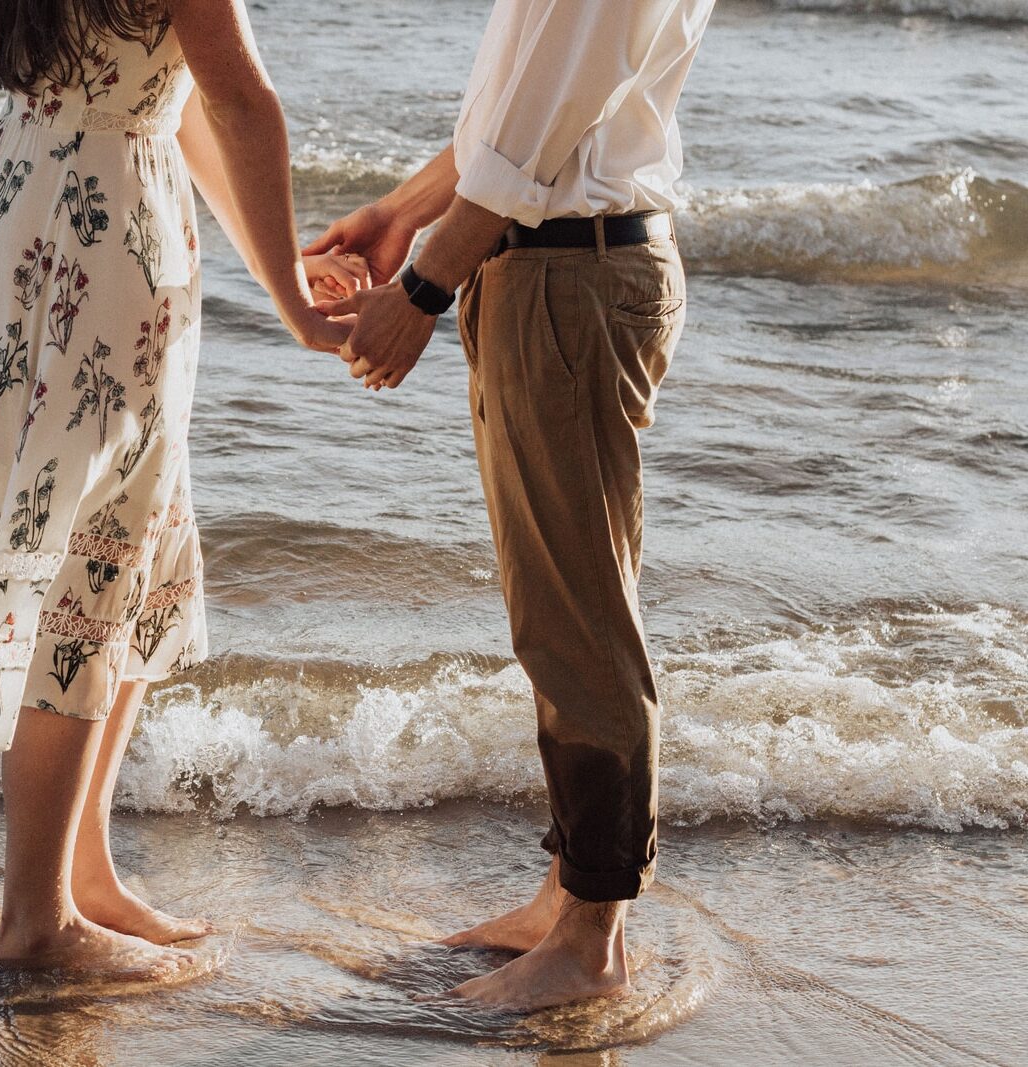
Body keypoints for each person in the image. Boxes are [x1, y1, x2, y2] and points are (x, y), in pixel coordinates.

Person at [0, 0, 355, 977]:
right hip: (100, 238)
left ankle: (79, 871)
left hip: (23, 195)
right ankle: (36, 920)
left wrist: (280, 275)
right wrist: (300, 308)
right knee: (85, 556)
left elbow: (178, 100)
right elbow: (241, 102)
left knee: (120, 536)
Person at [309, 0, 717, 1012]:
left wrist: (421, 285)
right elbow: (525, 114)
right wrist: (404, 210)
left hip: (569, 272)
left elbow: (535, 128)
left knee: (579, 620)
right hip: (552, 262)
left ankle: (590, 942)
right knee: (553, 612)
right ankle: (568, 894)